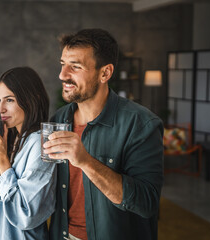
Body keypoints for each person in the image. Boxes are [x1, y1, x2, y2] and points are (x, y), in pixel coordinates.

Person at [45, 29, 164, 240]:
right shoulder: (58, 120)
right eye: (63, 64)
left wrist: (86, 162)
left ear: (105, 73)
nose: (62, 75)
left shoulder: (141, 125)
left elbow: (147, 203)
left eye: (76, 66)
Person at [0, 67, 56, 240]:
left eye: (9, 100)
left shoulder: (42, 143)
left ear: (33, 99)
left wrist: (3, 161)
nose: (0, 108)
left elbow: (26, 215)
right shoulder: (13, 140)